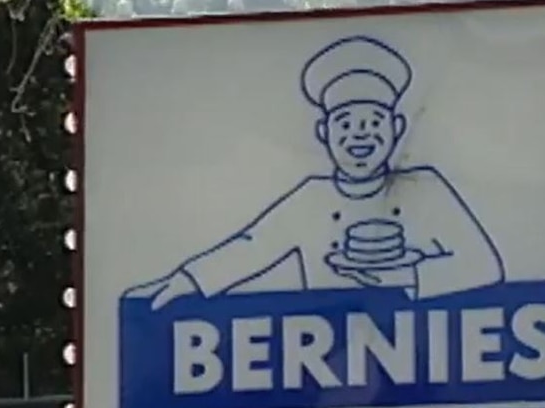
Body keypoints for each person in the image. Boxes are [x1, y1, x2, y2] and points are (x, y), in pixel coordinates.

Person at [124, 35, 505, 310]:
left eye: (373, 122)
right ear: (324, 133)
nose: (360, 135)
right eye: (346, 123)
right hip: (329, 358)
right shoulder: (311, 198)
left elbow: (484, 265)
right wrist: (187, 280)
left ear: (397, 128)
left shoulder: (426, 188)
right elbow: (252, 247)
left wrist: (407, 277)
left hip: (420, 356)